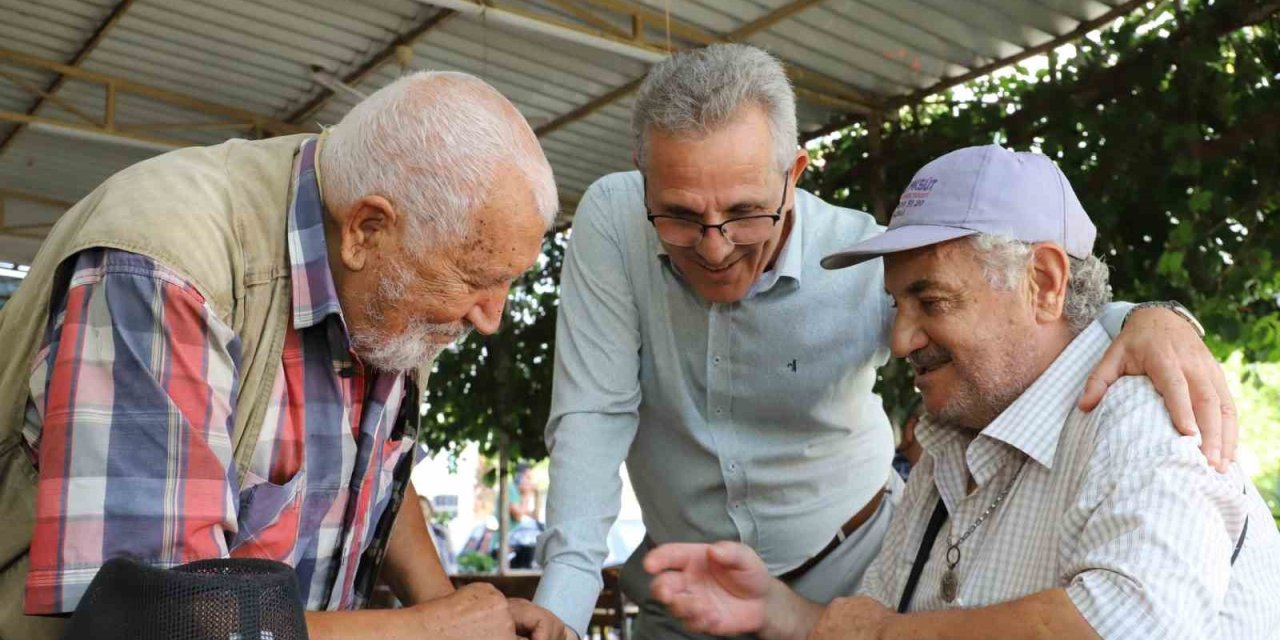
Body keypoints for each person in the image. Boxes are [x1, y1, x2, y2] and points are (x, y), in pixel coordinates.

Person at [533, 43, 1239, 640]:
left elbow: (1038, 312)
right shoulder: (948, 458)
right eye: (682, 217)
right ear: (644, 184)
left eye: (745, 212)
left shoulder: (1134, 423)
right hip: (694, 588)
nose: (714, 248)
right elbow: (594, 412)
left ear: (794, 175)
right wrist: (563, 604)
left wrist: (1154, 317)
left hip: (850, 563)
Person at [0, 72, 569, 640]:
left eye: (508, 281)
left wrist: (464, 615)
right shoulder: (167, 268)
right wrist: (428, 631)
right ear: (366, 230)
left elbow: (368, 473)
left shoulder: (390, 287)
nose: (490, 317)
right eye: (475, 279)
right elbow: (162, 621)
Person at [643, 145, 1280, 639]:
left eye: (932, 300)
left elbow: (1125, 626)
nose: (901, 339)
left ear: (1043, 283)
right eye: (897, 304)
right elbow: (883, 620)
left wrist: (881, 635)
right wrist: (782, 612)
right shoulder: (950, 447)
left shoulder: (1143, 419)